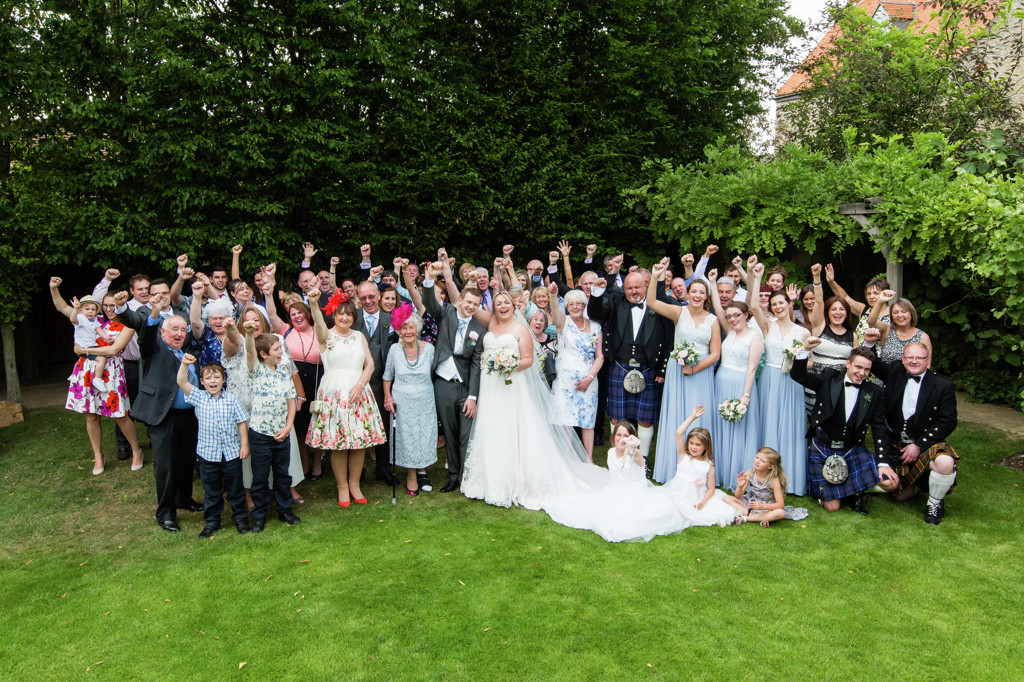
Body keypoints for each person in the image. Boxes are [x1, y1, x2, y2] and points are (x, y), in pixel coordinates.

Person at [461, 290, 608, 510]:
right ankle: (489, 482)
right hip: (491, 387)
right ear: (494, 308)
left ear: (513, 306)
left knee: (512, 429)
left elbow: (528, 359)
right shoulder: (491, 322)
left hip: (512, 386)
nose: (503, 306)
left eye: (506, 303)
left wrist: (509, 364)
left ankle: (516, 481)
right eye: (498, 303)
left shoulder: (521, 329)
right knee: (492, 428)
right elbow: (463, 302)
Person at [119, 291, 202, 532]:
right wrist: (155, 310)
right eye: (174, 329)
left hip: (189, 416)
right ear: (163, 333)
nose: (179, 334)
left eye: (183, 330)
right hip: (162, 416)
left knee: (186, 460)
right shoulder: (153, 348)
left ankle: (184, 498)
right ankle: (166, 512)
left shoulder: (187, 353)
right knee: (165, 465)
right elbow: (145, 335)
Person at [790, 343, 898, 514]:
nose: (862, 373)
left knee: (890, 483)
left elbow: (879, 428)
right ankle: (852, 490)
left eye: (867, 370)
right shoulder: (829, 378)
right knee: (833, 507)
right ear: (848, 363)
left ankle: (852, 490)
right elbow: (798, 375)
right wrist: (804, 351)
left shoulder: (874, 392)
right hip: (823, 447)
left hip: (851, 448)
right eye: (858, 367)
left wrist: (883, 463)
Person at [52, 279, 144, 475]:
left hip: (112, 371)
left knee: (120, 415)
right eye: (106, 305)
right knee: (91, 416)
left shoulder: (128, 323)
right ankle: (98, 456)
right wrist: (54, 288)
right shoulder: (93, 318)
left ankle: (137, 451)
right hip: (87, 371)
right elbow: (62, 307)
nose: (110, 309)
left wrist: (83, 350)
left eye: (113, 305)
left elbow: (113, 350)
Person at [305, 288, 386, 507]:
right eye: (340, 314)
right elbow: (319, 325)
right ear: (334, 315)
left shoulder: (359, 336)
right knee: (338, 443)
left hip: (358, 392)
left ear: (354, 317)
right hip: (334, 392)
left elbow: (370, 364)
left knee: (358, 442)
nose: (345, 317)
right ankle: (342, 487)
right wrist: (314, 303)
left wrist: (360, 385)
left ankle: (355, 485)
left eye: (349, 314)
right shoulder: (326, 336)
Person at [543, 421, 687, 543]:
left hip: (635, 494)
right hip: (615, 491)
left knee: (633, 519)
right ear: (614, 437)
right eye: (619, 435)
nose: (622, 439)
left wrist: (633, 446)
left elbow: (634, 454)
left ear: (632, 438)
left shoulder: (635, 454)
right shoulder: (611, 452)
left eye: (626, 436)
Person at [645, 259, 720, 483]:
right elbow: (651, 302)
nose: (697, 295)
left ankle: (700, 470)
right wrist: (655, 276)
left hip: (701, 374)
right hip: (678, 373)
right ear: (688, 293)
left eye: (701, 292)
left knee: (699, 416)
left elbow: (715, 354)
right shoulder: (679, 312)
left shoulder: (713, 320)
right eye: (693, 291)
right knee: (678, 415)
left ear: (706, 296)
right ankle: (672, 467)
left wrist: (695, 368)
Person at [587, 270, 674, 461]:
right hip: (620, 366)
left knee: (645, 419)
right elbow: (595, 313)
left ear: (645, 286)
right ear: (624, 288)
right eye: (629, 288)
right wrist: (597, 293)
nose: (633, 291)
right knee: (616, 417)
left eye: (637, 287)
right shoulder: (617, 302)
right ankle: (618, 458)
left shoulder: (658, 305)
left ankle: (642, 461)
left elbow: (669, 339)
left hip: (648, 368)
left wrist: (662, 369)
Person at [871, 342, 958, 524]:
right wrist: (870, 342)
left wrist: (919, 445)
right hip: (896, 448)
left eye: (919, 358)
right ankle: (918, 483)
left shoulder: (943, 385)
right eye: (910, 357)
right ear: (903, 359)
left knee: (945, 463)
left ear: (928, 360)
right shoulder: (894, 372)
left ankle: (934, 503)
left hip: (924, 445)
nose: (914, 361)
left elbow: (948, 422)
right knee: (898, 496)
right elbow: (872, 362)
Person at [421, 261, 487, 493]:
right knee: (449, 432)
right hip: (443, 385)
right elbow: (429, 302)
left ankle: (467, 476)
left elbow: (477, 365)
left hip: (465, 387)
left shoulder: (479, 329)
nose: (471, 307)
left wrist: (473, 396)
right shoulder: (446, 313)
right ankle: (453, 477)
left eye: (475, 304)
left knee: (466, 435)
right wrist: (429, 278)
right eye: (468, 302)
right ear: (460, 300)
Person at [748, 264, 811, 495]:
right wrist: (757, 278)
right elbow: (754, 306)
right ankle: (764, 476)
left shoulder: (803, 332)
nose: (777, 307)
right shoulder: (767, 325)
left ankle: (789, 478)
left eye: (781, 303)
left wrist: (797, 362)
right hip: (769, 379)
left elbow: (810, 362)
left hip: (791, 381)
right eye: (774, 304)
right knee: (769, 421)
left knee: (790, 425)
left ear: (789, 304)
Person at [177, 356, 252, 537]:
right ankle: (212, 521)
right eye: (208, 378)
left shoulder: (232, 400)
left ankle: (240, 518)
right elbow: (181, 382)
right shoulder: (199, 397)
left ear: (223, 379)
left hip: (231, 454)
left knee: (235, 489)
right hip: (208, 455)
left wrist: (244, 445)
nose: (213, 381)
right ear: (202, 382)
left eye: (217, 377)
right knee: (212, 491)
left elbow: (241, 422)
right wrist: (185, 364)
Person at [242, 319, 301, 531]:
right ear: (264, 354)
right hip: (260, 434)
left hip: (282, 434)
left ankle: (284, 509)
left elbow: (291, 402)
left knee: (282, 474)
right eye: (276, 349)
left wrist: (288, 427)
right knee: (260, 477)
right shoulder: (256, 370)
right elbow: (250, 352)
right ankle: (259, 514)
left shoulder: (284, 373)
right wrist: (250, 334)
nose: (280, 352)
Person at [706, 282, 763, 489]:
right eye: (729, 316)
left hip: (741, 384)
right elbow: (717, 307)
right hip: (721, 382)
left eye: (737, 315)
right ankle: (719, 471)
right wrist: (713, 283)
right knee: (721, 426)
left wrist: (745, 396)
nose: (732, 319)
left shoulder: (755, 337)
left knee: (739, 428)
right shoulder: (729, 330)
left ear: (746, 315)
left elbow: (752, 368)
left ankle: (737, 474)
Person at [382, 306, 438, 496]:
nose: (408, 331)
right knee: (407, 437)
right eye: (404, 328)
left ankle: (423, 472)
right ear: (399, 330)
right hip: (402, 401)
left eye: (411, 327)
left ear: (418, 329)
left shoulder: (429, 349)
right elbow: (387, 376)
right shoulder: (394, 349)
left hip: (425, 401)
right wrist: (388, 397)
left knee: (423, 435)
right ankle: (411, 475)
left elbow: (434, 373)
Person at [661, 406, 745, 526]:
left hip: (697, 496)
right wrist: (693, 417)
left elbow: (711, 488)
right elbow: (678, 433)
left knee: (709, 512)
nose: (693, 447)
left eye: (698, 445)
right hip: (677, 492)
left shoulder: (709, 465)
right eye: (691, 443)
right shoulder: (683, 455)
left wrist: (702, 502)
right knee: (669, 509)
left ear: (705, 446)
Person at [548, 289, 603, 459]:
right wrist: (553, 296)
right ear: (567, 307)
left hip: (589, 381)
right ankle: (566, 459)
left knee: (588, 421)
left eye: (578, 303)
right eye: (571, 304)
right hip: (565, 382)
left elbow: (600, 356)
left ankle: (589, 459)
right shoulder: (563, 323)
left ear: (584, 305)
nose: (575, 307)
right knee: (567, 421)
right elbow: (555, 310)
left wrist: (590, 378)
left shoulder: (595, 326)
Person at [354, 281, 399, 486]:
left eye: (371, 296)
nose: (368, 301)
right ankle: (357, 470)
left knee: (383, 426)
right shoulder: (352, 318)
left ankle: (383, 468)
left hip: (383, 383)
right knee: (356, 426)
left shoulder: (391, 320)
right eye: (363, 298)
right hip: (357, 382)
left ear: (378, 296)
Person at [804, 264, 857, 412]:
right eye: (834, 309)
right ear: (827, 312)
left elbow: (855, 363)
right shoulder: (819, 327)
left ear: (847, 313)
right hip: (816, 388)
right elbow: (818, 301)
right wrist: (816, 278)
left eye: (842, 309)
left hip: (840, 389)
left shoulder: (853, 336)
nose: (838, 312)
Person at [732, 447, 809, 526]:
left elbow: (781, 505)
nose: (757, 461)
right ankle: (758, 518)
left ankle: (746, 518)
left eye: (763, 461)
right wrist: (740, 486)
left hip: (767, 507)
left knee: (780, 513)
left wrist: (762, 506)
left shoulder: (773, 479)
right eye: (757, 457)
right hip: (751, 503)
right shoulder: (750, 472)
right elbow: (737, 495)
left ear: (770, 466)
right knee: (726, 499)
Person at [867, 291, 932, 366]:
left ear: (911, 313)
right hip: (887, 373)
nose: (900, 315)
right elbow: (871, 322)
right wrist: (880, 301)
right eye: (895, 312)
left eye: (903, 312)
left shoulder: (923, 337)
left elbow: (927, 365)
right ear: (891, 316)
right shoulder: (887, 330)